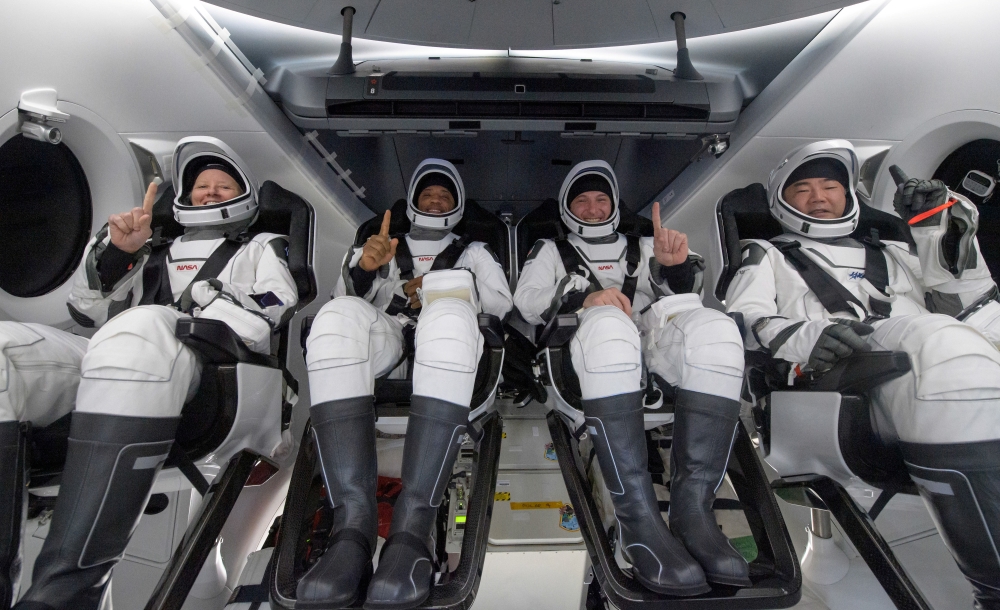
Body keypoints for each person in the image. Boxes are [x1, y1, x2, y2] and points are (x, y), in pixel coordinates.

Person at [2, 136, 298, 610]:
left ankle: (66, 596)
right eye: (202, 186)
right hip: (116, 354)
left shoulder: (262, 247)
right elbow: (87, 313)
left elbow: (272, 307)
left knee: (141, 328)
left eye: (224, 185)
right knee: (6, 347)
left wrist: (209, 302)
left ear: (244, 196)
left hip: (212, 369)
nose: (211, 192)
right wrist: (117, 255)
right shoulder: (151, 247)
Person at [725, 139, 1000, 609]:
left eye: (830, 185)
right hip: (833, 382)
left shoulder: (896, 251)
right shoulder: (767, 256)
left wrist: (936, 231)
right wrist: (806, 338)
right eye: (803, 189)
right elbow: (745, 323)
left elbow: (971, 305)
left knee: (960, 342)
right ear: (781, 203)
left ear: (848, 194)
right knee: (945, 346)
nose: (818, 197)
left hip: (925, 361)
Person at [513, 160, 749, 595]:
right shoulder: (550, 249)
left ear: (614, 206)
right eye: (581, 201)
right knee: (608, 323)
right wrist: (585, 296)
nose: (593, 208)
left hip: (652, 350)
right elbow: (527, 302)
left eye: (601, 199)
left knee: (717, 329)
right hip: (586, 351)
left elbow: (679, 300)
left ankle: (693, 514)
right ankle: (638, 522)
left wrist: (675, 270)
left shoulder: (646, 245)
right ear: (567, 209)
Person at [300, 159, 512, 608]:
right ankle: (350, 533)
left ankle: (411, 535)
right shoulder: (378, 244)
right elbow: (349, 301)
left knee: (449, 314)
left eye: (445, 196)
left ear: (457, 206)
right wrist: (365, 269)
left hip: (451, 340)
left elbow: (500, 304)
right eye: (428, 195)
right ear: (413, 201)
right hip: (391, 340)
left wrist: (446, 285)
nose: (436, 201)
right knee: (335, 317)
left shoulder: (474, 251)